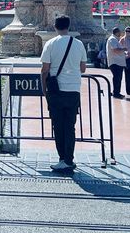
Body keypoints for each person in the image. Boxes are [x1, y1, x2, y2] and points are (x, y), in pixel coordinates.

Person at [40, 16, 87, 172]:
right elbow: (83, 68)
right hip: (73, 90)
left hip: (56, 91)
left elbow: (45, 69)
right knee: (70, 126)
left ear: (55, 27)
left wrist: (44, 89)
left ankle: (63, 159)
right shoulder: (78, 44)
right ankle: (69, 159)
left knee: (58, 126)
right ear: (69, 26)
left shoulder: (50, 44)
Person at [106, 27, 127, 99]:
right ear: (117, 32)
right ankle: (116, 93)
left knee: (118, 78)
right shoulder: (112, 39)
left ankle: (116, 92)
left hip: (118, 62)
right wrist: (123, 49)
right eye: (119, 32)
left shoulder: (115, 39)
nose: (120, 33)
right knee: (117, 78)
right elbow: (115, 49)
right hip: (115, 62)